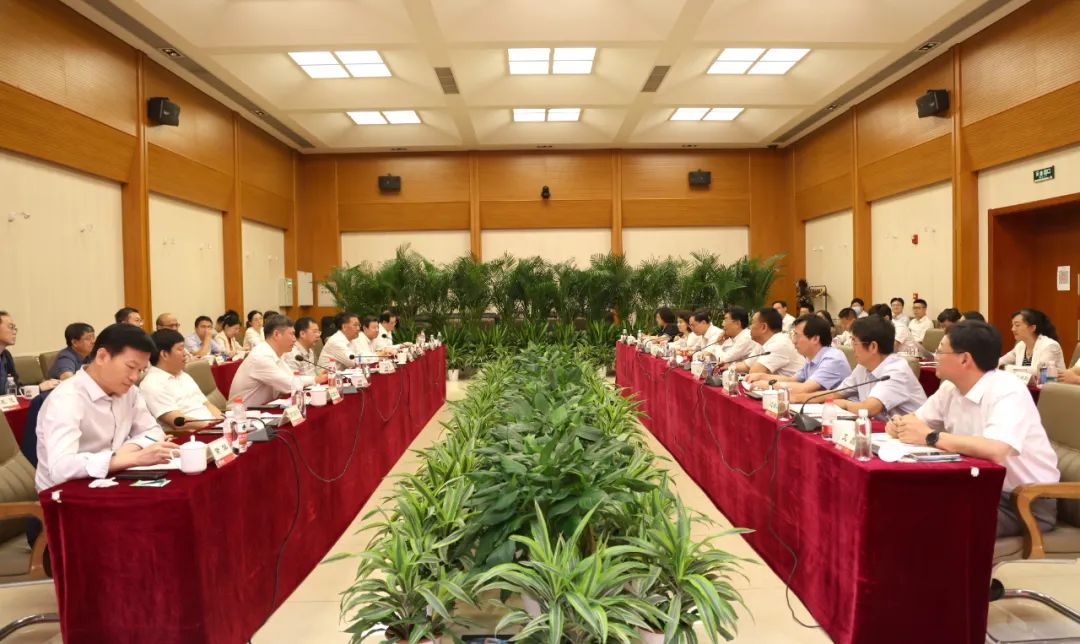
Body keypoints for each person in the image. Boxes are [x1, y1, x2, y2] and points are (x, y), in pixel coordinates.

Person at [887, 321, 1059, 537]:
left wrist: (931, 437)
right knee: (902, 503)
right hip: (977, 488)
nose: (935, 356)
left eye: (941, 351)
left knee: (930, 522)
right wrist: (899, 425)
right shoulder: (950, 388)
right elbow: (915, 421)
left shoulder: (1008, 390)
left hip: (1023, 502)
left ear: (965, 359)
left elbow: (996, 450)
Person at [34, 323, 179, 491]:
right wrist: (133, 458)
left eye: (140, 370)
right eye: (131, 367)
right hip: (65, 494)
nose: (134, 377)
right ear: (102, 356)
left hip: (110, 479)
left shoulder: (129, 391)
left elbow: (153, 432)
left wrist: (122, 454)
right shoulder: (67, 398)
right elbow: (61, 468)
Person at [830, 315, 927, 420]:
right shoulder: (863, 366)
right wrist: (816, 398)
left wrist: (845, 404)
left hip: (913, 429)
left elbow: (869, 408)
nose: (851, 347)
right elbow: (837, 393)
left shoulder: (897, 371)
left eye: (854, 342)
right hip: (885, 427)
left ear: (873, 346)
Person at [229, 315, 324, 406]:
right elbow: (288, 385)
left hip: (262, 409)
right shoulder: (261, 356)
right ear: (276, 334)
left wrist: (317, 378)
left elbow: (291, 378)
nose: (294, 339)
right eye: (291, 334)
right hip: (242, 413)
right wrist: (316, 379)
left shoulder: (276, 353)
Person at [748, 314, 851, 396]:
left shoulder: (832, 359)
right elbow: (793, 380)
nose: (794, 341)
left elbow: (804, 388)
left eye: (797, 335)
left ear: (815, 339)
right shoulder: (811, 357)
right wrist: (762, 376)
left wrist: (769, 385)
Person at [141, 330, 222, 431]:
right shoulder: (152, 384)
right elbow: (177, 422)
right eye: (180, 349)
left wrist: (223, 421)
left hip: (212, 428)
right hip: (192, 434)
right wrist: (211, 426)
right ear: (164, 354)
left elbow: (207, 404)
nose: (186, 353)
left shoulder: (183, 375)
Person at [731, 307, 805, 377]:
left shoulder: (779, 343)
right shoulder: (763, 343)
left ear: (764, 327)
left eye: (752, 323)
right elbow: (746, 366)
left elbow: (754, 372)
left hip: (797, 385)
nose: (749, 327)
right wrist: (730, 367)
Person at [0, 311, 58, 393]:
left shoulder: (6, 355)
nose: (14, 332)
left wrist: (38, 388)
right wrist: (38, 388)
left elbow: (16, 388)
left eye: (15, 328)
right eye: (11, 327)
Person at [998, 308, 1066, 375]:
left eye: (1017, 325)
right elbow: (1000, 362)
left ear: (1032, 328)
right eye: (1012, 325)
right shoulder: (1020, 345)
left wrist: (1008, 368)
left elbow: (1041, 372)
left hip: (1049, 382)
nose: (1013, 329)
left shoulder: (1050, 345)